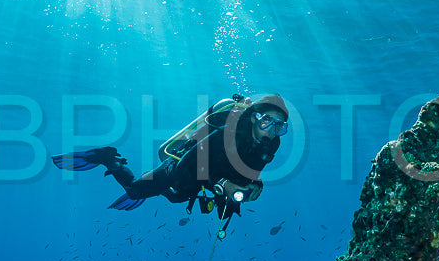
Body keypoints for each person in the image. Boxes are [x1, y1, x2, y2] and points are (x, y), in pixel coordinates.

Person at [52, 94, 289, 220]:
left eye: (279, 126)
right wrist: (223, 185)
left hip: (208, 180)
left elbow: (252, 171)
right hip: (182, 165)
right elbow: (194, 160)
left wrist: (253, 186)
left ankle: (152, 182)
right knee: (135, 191)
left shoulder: (271, 144)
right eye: (267, 121)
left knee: (176, 199)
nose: (270, 131)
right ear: (253, 116)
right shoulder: (230, 127)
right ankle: (108, 157)